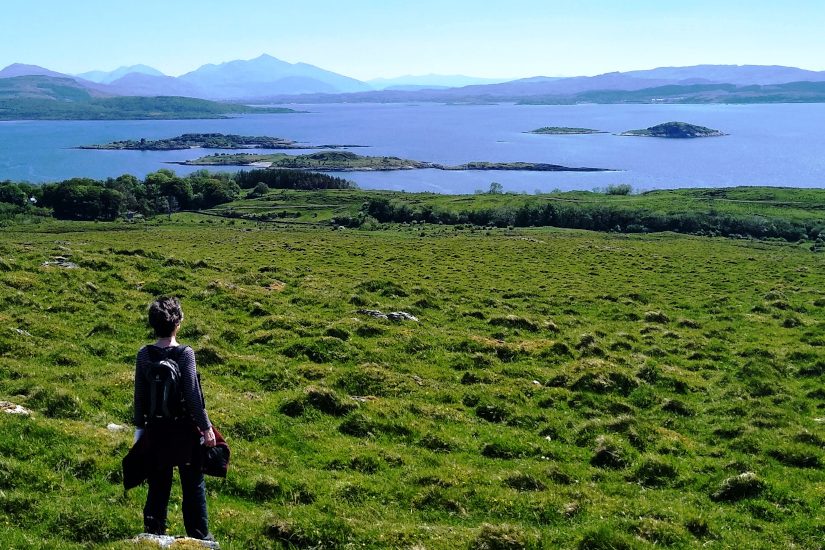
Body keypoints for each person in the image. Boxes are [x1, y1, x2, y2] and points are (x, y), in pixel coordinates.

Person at [133, 297, 216, 540]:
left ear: (152, 324)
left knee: (158, 484)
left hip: (156, 428)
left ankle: (153, 534)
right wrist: (206, 428)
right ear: (177, 323)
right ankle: (200, 538)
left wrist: (139, 431)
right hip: (184, 430)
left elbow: (140, 396)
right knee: (193, 484)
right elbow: (193, 396)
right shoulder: (185, 354)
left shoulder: (144, 354)